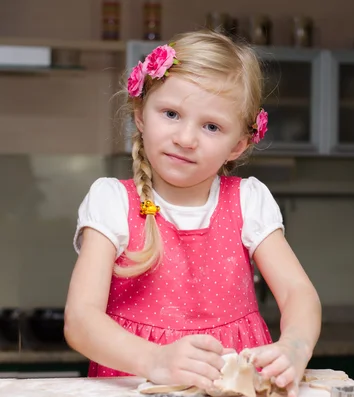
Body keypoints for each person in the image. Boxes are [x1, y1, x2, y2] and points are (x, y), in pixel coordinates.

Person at [63, 29, 322, 397]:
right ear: (139, 114)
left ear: (238, 144)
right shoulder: (112, 201)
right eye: (171, 113)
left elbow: (299, 294)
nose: (186, 138)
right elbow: (80, 320)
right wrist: (154, 360)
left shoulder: (249, 200)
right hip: (137, 384)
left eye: (211, 126)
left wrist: (295, 347)